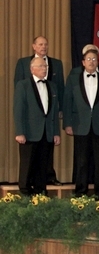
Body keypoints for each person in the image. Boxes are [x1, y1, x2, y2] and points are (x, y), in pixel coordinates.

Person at [63, 49, 99, 200]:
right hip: (80, 125)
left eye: (94, 59)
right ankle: (80, 192)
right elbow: (68, 102)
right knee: (81, 161)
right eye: (89, 59)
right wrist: (68, 123)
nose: (91, 62)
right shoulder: (73, 79)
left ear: (98, 62)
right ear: (83, 62)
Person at [14, 36, 65, 186]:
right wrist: (20, 132)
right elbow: (19, 109)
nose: (45, 69)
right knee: (27, 165)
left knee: (43, 165)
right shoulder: (23, 85)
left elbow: (53, 112)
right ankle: (25, 193)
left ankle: (41, 192)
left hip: (47, 131)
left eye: (45, 66)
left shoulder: (52, 86)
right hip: (30, 130)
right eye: (41, 67)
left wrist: (56, 132)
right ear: (32, 69)